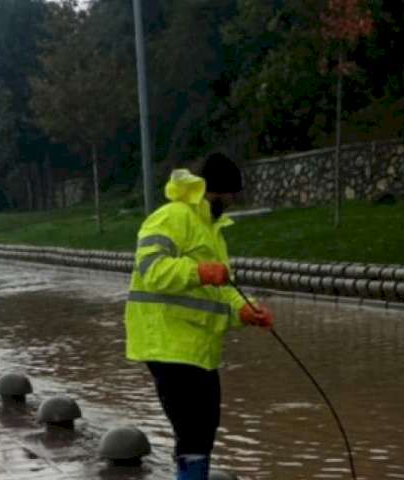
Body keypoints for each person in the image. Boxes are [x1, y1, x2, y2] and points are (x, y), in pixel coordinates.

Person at [124, 153, 274, 479]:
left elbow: (222, 287)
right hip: (167, 342)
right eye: (232, 196)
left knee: (204, 429)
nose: (233, 203)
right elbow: (153, 270)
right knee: (192, 431)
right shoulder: (169, 218)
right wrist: (199, 272)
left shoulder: (210, 228)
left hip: (197, 348)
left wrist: (245, 311)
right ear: (217, 191)